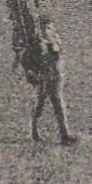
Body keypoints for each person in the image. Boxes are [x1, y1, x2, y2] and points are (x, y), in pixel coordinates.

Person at [25, 14, 78, 145]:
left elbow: (58, 52)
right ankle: (34, 131)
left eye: (48, 27)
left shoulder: (53, 41)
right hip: (44, 77)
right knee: (40, 104)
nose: (46, 30)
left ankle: (64, 133)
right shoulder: (38, 44)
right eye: (43, 27)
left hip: (55, 76)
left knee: (57, 104)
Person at [7, 0, 41, 70]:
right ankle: (16, 66)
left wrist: (35, 13)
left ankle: (31, 66)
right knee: (19, 43)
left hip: (31, 18)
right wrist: (15, 7)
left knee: (33, 41)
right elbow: (9, 1)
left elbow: (36, 3)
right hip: (20, 18)